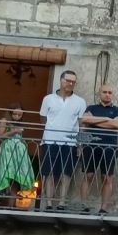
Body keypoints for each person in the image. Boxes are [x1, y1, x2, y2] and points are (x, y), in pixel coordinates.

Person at [38, 69, 87, 210]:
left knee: (67, 173)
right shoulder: (48, 99)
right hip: (49, 141)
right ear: (61, 80)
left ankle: (61, 202)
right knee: (50, 173)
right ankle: (48, 203)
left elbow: (81, 124)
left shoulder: (80, 101)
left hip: (70, 143)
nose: (70, 83)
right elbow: (42, 119)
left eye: (73, 81)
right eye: (68, 80)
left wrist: (80, 144)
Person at [78, 83, 118, 213]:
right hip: (91, 145)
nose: (107, 94)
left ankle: (104, 208)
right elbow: (85, 119)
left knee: (107, 177)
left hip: (110, 147)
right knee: (88, 175)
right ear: (99, 94)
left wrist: (96, 120)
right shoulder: (91, 107)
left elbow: (117, 124)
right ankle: (84, 205)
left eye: (110, 92)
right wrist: (106, 120)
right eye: (105, 92)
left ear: (113, 95)